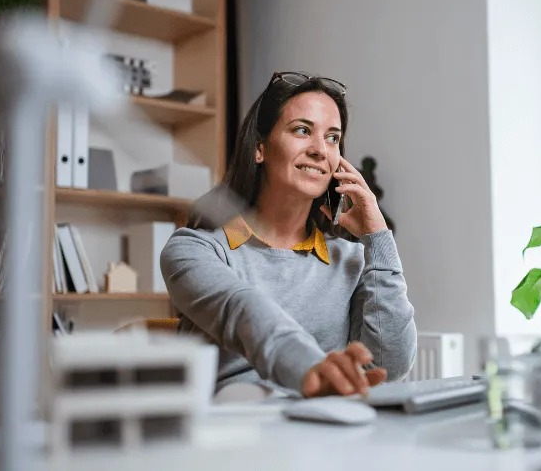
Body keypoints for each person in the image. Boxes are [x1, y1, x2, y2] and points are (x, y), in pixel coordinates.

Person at [160, 72, 417, 398]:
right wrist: (310, 368)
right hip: (235, 434)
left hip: (323, 432)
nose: (320, 150)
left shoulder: (350, 259)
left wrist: (378, 236)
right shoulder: (194, 249)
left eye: (333, 138)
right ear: (259, 149)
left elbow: (389, 366)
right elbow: (242, 309)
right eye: (302, 130)